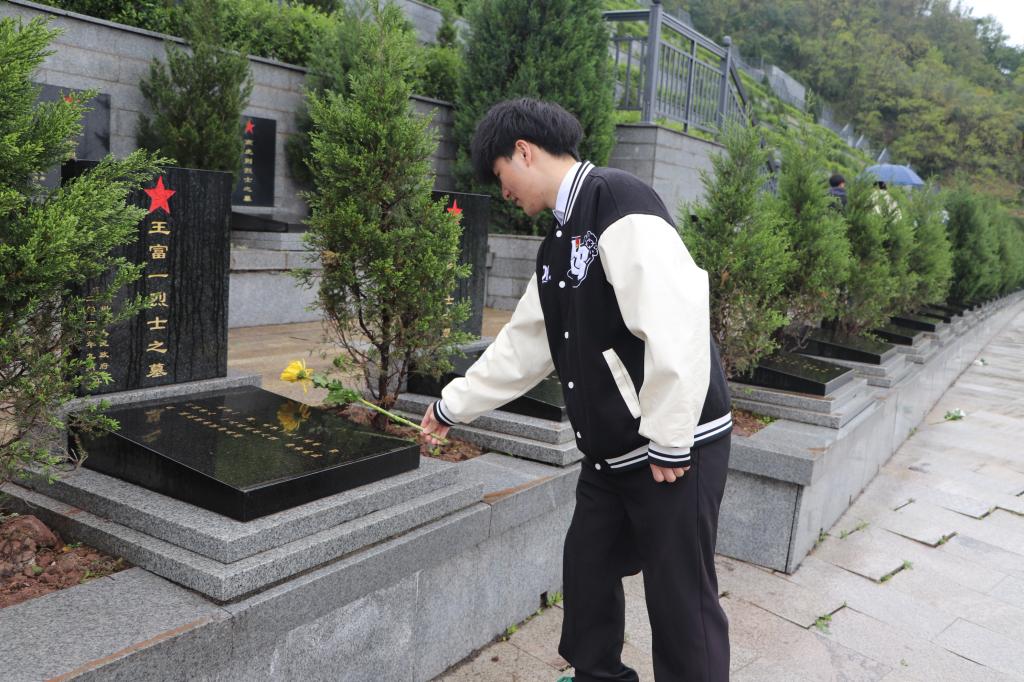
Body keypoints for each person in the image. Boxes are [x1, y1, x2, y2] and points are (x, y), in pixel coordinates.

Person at [420, 98, 732, 682]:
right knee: (586, 572)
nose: (503, 191)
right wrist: (451, 406)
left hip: (673, 451)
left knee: (681, 601)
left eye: (500, 174)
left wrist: (671, 437)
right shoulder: (557, 244)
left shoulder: (618, 201)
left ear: (523, 151)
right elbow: (524, 344)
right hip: (611, 455)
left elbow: (677, 314)